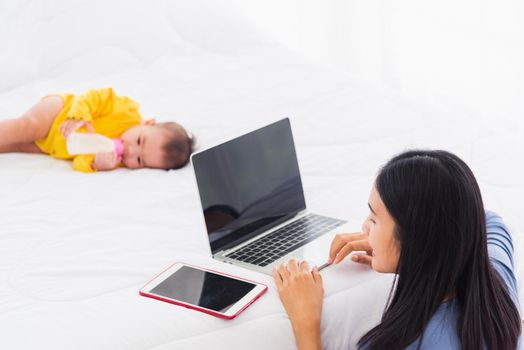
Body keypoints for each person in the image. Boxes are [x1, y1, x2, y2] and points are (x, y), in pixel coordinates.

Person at [273, 150, 522, 350]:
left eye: (374, 217)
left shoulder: (401, 343)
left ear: (413, 239)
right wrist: (409, 254)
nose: (364, 226)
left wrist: (306, 322)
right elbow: (488, 220)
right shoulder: (498, 282)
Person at [0, 87, 193, 172]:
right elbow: (93, 97)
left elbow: (78, 160)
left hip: (51, 146)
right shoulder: (126, 111)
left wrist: (94, 165)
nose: (131, 151)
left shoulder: (115, 160)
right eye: (140, 141)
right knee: (27, 126)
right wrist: (78, 117)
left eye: (140, 160)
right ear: (147, 123)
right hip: (59, 111)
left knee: (15, 146)